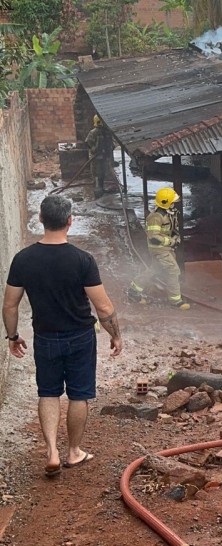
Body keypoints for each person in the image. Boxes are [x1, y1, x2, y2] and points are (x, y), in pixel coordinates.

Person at [2, 194, 123, 478]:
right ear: (70, 221)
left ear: (42, 219)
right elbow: (103, 306)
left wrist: (12, 336)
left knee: (48, 392)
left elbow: (10, 304)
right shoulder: (83, 260)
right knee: (79, 395)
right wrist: (115, 335)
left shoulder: (23, 259)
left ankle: (52, 452)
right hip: (80, 336)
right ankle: (74, 451)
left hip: (45, 337)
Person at [128, 187, 190, 310]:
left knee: (154, 270)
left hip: (165, 249)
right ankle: (176, 301)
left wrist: (175, 238)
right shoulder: (155, 217)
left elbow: (171, 230)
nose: (174, 204)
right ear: (166, 203)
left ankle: (134, 291)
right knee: (173, 271)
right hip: (159, 250)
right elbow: (153, 237)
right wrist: (170, 241)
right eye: (172, 202)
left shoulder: (168, 214)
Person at [85, 114, 115, 199]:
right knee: (97, 174)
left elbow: (112, 144)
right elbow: (88, 143)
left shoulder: (107, 132)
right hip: (96, 158)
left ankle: (100, 188)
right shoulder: (94, 132)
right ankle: (98, 191)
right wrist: (95, 150)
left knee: (102, 174)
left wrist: (107, 152)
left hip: (104, 158)